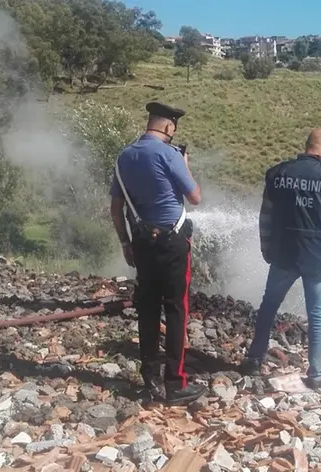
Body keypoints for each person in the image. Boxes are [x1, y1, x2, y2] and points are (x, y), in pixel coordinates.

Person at [109, 101, 207, 405]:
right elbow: (195, 197)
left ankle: (150, 379)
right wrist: (185, 166)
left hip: (140, 242)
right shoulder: (170, 154)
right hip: (173, 243)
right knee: (176, 311)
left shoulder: (124, 157)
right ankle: (176, 384)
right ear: (168, 127)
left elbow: (115, 209)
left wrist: (125, 243)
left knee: (148, 310)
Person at [239, 128, 321, 389]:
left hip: (284, 253)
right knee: (316, 316)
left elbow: (265, 215)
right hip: (318, 256)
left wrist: (266, 248)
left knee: (269, 306)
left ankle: (254, 359)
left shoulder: (278, 174)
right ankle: (314, 374)